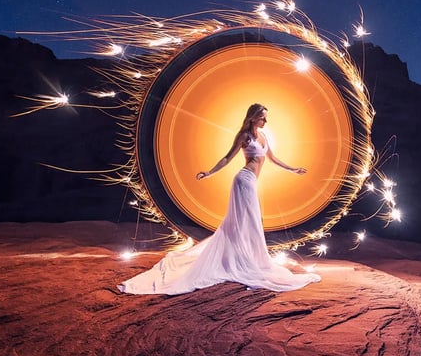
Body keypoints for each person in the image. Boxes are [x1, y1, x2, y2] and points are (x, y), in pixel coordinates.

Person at [118, 103, 322, 295]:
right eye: (262, 118)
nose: (265, 122)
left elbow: (273, 159)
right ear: (252, 118)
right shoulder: (244, 136)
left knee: (249, 222)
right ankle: (242, 262)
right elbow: (227, 158)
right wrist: (209, 173)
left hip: (251, 182)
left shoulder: (263, 136)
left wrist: (293, 169)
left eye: (265, 119)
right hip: (243, 181)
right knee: (249, 222)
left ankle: (244, 258)